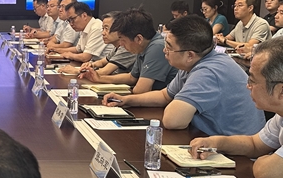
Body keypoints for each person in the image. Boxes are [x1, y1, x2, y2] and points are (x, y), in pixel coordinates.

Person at [103, 15, 264, 135]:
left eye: (169, 47)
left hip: (237, 155)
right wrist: (127, 100)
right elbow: (165, 95)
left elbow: (173, 121)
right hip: (212, 139)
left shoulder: (208, 72)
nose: (164, 51)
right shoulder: (196, 61)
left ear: (189, 55)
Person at [189, 38, 283, 178]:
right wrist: (215, 143)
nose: (247, 86)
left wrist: (264, 161)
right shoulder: (280, 116)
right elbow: (254, 145)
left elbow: (266, 174)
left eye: (252, 81)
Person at [80, 8, 177, 93]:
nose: (121, 44)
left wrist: (122, 97)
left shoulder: (157, 47)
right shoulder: (143, 45)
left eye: (123, 40)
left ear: (138, 39)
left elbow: (141, 90)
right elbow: (131, 77)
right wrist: (99, 78)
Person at [58, 11, 135, 76]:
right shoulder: (117, 47)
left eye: (106, 28)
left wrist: (78, 71)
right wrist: (91, 64)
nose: (103, 33)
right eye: (103, 29)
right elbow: (102, 62)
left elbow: (105, 71)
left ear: (120, 29)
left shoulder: (126, 48)